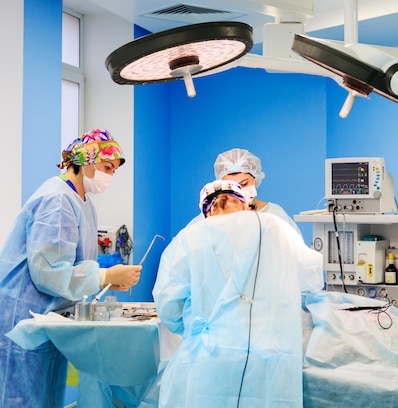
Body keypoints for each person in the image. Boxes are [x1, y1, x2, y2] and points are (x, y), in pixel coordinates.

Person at [0, 128, 142, 408]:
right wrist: (104, 277)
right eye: (107, 167)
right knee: (22, 398)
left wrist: (110, 276)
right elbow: (49, 272)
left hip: (49, 314)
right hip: (24, 316)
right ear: (86, 161)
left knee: (46, 395)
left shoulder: (83, 203)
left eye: (114, 170)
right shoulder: (57, 200)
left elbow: (71, 259)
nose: (110, 176)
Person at [154, 180, 323, 407]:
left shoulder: (190, 237)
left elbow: (169, 306)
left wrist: (193, 325)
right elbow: (311, 278)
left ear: (207, 210)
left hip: (211, 355)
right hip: (269, 352)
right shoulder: (275, 227)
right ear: (245, 205)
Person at [189, 148, 302, 237]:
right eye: (232, 186)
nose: (240, 192)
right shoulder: (207, 219)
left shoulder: (275, 215)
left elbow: (297, 256)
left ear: (256, 180)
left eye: (244, 184)